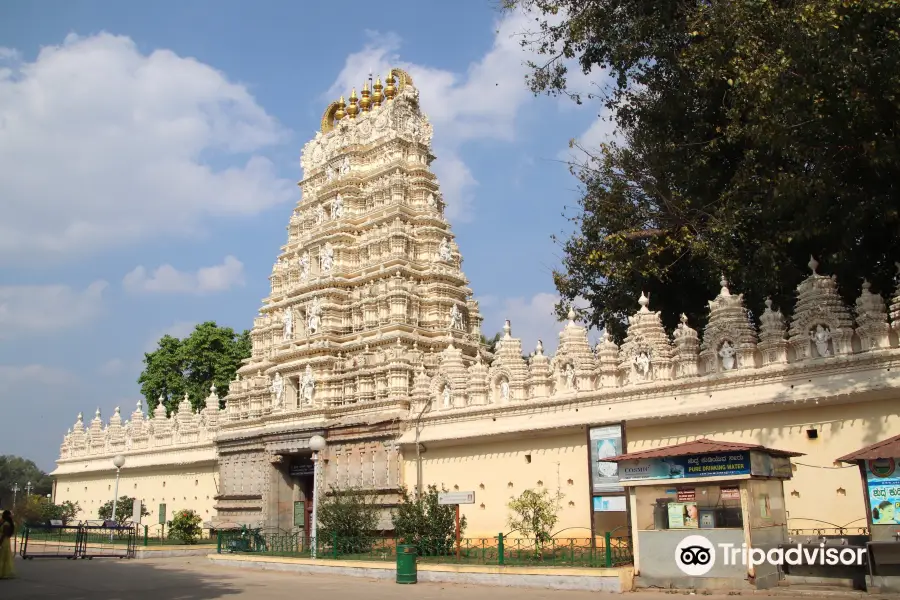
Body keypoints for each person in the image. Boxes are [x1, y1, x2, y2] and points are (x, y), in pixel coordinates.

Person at [0, 510, 15, 579]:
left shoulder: (6, 524)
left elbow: (4, 534)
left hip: (3, 542)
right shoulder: (9, 523)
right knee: (5, 557)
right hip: (6, 542)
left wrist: (0, 542)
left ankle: (2, 572)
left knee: (2, 557)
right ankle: (4, 572)